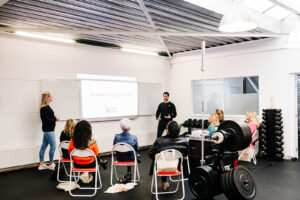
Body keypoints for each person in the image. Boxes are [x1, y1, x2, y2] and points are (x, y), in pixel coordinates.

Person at [149, 121, 188, 191]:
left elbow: (150, 154)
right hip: (176, 167)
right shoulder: (184, 141)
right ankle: (165, 181)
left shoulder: (159, 141)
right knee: (171, 158)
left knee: (162, 158)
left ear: (167, 130)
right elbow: (186, 154)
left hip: (162, 167)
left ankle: (164, 181)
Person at [38, 92, 59, 171]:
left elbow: (47, 118)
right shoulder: (44, 108)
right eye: (50, 96)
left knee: (44, 146)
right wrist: (55, 118)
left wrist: (54, 118)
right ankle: (51, 163)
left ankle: (41, 164)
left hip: (48, 129)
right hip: (48, 130)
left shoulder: (46, 107)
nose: (52, 97)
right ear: (47, 98)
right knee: (53, 146)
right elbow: (45, 120)